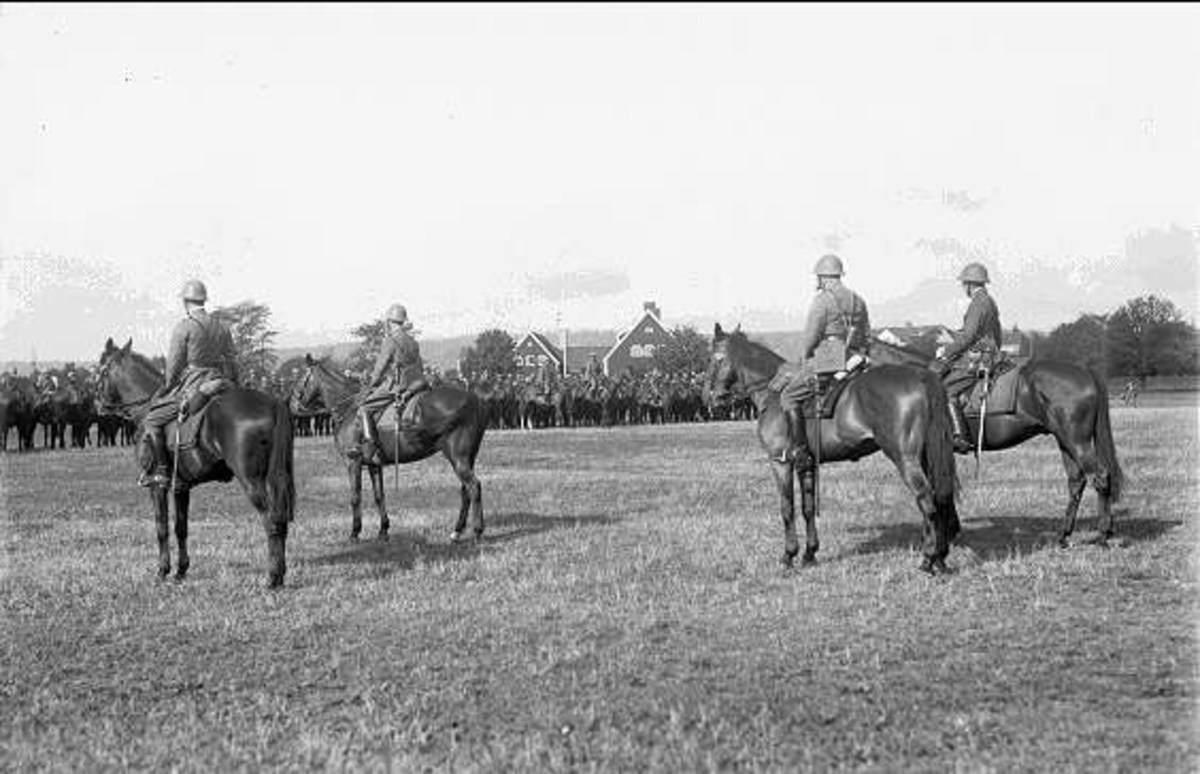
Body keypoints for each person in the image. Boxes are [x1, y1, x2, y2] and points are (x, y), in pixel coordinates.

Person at [139, 280, 239, 487]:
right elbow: (232, 361)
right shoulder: (222, 327)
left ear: (186, 301)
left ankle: (162, 472)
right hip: (220, 382)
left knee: (151, 420)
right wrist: (233, 384)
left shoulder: (185, 327)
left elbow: (174, 366)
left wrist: (167, 385)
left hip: (194, 384)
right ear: (204, 299)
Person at [774, 254, 871, 466]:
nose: (817, 282)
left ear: (823, 278)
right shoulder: (858, 300)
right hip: (855, 356)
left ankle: (799, 451)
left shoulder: (822, 300)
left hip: (829, 355)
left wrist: (805, 357)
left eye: (818, 278)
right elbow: (866, 334)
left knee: (788, 396)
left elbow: (811, 336)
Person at [930, 262, 1003, 452]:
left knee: (946, 391)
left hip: (978, 358)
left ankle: (959, 436)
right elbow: (995, 334)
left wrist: (946, 351)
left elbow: (970, 336)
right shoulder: (989, 301)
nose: (963, 288)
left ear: (970, 284)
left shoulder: (978, 303)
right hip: (989, 352)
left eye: (964, 284)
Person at [356, 303, 424, 465]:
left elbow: (380, 368)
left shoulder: (390, 340)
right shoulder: (413, 342)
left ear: (390, 321)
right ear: (402, 321)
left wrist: (370, 385)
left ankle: (370, 445)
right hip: (415, 383)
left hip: (397, 385)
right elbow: (419, 367)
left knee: (364, 408)